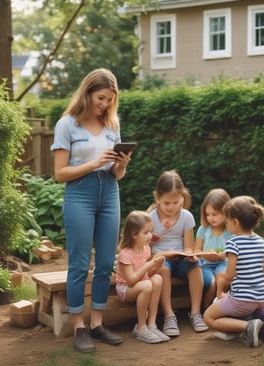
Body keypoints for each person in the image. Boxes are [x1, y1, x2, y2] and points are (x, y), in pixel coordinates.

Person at [50, 68, 131, 353]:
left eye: (109, 100)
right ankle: (79, 327)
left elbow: (117, 174)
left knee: (106, 262)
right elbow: (60, 174)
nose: (105, 105)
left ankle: (97, 323)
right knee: (80, 263)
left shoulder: (112, 124)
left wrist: (121, 164)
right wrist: (94, 163)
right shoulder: (67, 125)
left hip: (110, 193)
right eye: (101, 98)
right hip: (80, 195)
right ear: (87, 93)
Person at [203, 196, 264, 348]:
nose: (226, 225)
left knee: (208, 317)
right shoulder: (260, 240)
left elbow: (230, 275)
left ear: (235, 222)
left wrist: (221, 287)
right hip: (261, 298)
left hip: (243, 301)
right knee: (231, 301)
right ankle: (244, 325)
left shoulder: (233, 242)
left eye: (226, 221)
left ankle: (247, 326)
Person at [148, 170, 208, 336]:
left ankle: (196, 313)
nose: (171, 207)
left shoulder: (186, 217)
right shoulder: (150, 218)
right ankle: (169, 316)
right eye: (167, 203)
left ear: (183, 197)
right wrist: (153, 239)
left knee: (195, 265)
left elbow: (188, 246)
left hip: (180, 259)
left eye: (176, 202)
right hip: (160, 259)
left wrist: (190, 254)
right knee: (163, 270)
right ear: (157, 197)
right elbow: (146, 250)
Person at [116, 211, 170, 343]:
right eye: (146, 232)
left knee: (157, 279)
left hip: (141, 284)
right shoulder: (125, 254)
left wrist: (155, 266)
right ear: (134, 234)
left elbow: (147, 275)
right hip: (126, 289)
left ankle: (151, 325)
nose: (150, 235)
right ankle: (141, 327)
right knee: (147, 285)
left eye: (150, 231)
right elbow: (131, 280)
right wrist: (147, 266)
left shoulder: (146, 249)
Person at [195, 188, 232, 310]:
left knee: (221, 280)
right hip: (206, 264)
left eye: (214, 214)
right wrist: (206, 254)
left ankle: (219, 307)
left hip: (223, 263)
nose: (210, 218)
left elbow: (234, 251)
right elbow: (197, 252)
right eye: (207, 214)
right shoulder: (203, 229)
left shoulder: (230, 230)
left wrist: (224, 254)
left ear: (225, 212)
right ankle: (205, 310)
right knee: (211, 284)